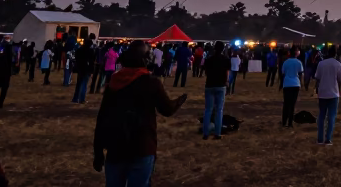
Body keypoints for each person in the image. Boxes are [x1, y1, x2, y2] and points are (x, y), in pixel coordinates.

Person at [94, 42, 187, 187]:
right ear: (145, 59)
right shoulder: (151, 82)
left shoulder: (115, 81)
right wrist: (179, 101)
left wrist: (98, 151)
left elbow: (102, 117)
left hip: (116, 146)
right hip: (142, 146)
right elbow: (167, 110)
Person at [314, 45, 341, 145]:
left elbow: (317, 78)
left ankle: (320, 138)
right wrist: (339, 90)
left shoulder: (321, 63)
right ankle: (328, 139)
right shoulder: (338, 64)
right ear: (335, 54)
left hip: (323, 92)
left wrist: (317, 89)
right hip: (334, 93)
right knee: (331, 116)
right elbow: (340, 79)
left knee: (321, 116)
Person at [201, 41, 229, 140]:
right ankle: (217, 133)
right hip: (221, 86)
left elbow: (206, 72)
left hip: (210, 85)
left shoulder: (209, 59)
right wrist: (226, 82)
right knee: (219, 110)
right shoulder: (226, 59)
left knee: (208, 110)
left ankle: (205, 133)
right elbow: (227, 72)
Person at [280, 48, 303, 128]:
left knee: (286, 103)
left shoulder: (286, 62)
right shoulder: (298, 62)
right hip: (295, 84)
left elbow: (283, 73)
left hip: (287, 84)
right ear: (296, 53)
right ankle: (290, 123)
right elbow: (300, 74)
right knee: (292, 104)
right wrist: (301, 83)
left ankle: (284, 122)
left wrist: (281, 84)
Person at [73, 36, 96, 104]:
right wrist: (92, 71)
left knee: (79, 84)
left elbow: (76, 59)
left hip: (80, 68)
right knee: (84, 84)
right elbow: (92, 61)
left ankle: (75, 98)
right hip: (87, 69)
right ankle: (82, 99)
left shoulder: (79, 50)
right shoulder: (91, 51)